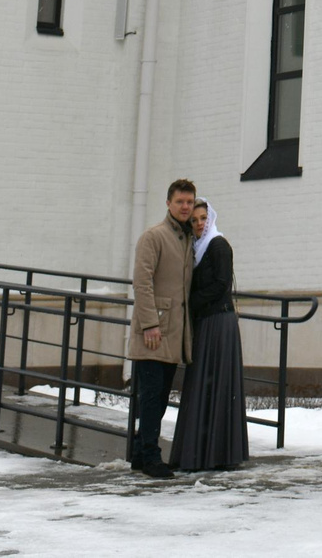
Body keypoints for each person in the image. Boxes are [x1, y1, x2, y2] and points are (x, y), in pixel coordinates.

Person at [170, 199, 251, 471]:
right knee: (202, 385)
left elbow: (221, 284)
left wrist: (190, 302)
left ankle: (217, 454)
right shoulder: (195, 249)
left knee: (215, 384)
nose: (199, 224)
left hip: (219, 322)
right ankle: (199, 453)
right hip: (206, 322)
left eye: (203, 218)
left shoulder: (218, 245)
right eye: (194, 220)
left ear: (211, 218)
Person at [126, 178, 196, 478]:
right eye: (180, 201)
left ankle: (140, 453)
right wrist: (150, 324)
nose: (185, 207)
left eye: (189, 202)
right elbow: (142, 282)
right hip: (155, 331)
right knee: (152, 396)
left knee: (160, 395)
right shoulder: (154, 236)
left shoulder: (186, 237)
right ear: (168, 203)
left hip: (173, 331)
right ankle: (151, 456)